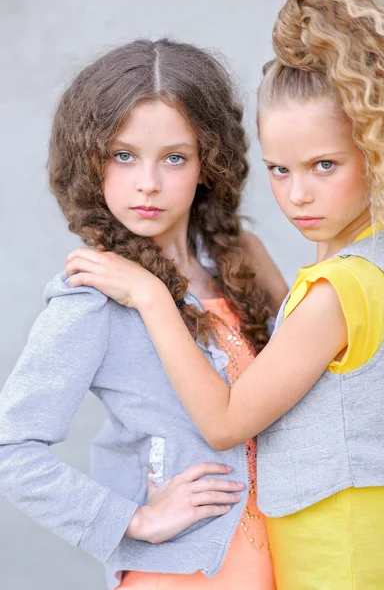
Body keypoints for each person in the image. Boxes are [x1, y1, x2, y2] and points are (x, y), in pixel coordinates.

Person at [68, 0, 384, 588]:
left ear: (377, 152)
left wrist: (150, 296)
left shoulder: (337, 290)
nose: (297, 195)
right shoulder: (372, 259)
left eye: (324, 165)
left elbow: (226, 424)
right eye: (280, 169)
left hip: (336, 549)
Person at [0, 39, 287, 590]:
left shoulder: (239, 256)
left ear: (209, 162)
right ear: (89, 158)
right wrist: (135, 520)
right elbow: (13, 450)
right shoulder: (93, 295)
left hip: (284, 555)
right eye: (122, 155)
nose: (148, 182)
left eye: (174, 157)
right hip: (186, 572)